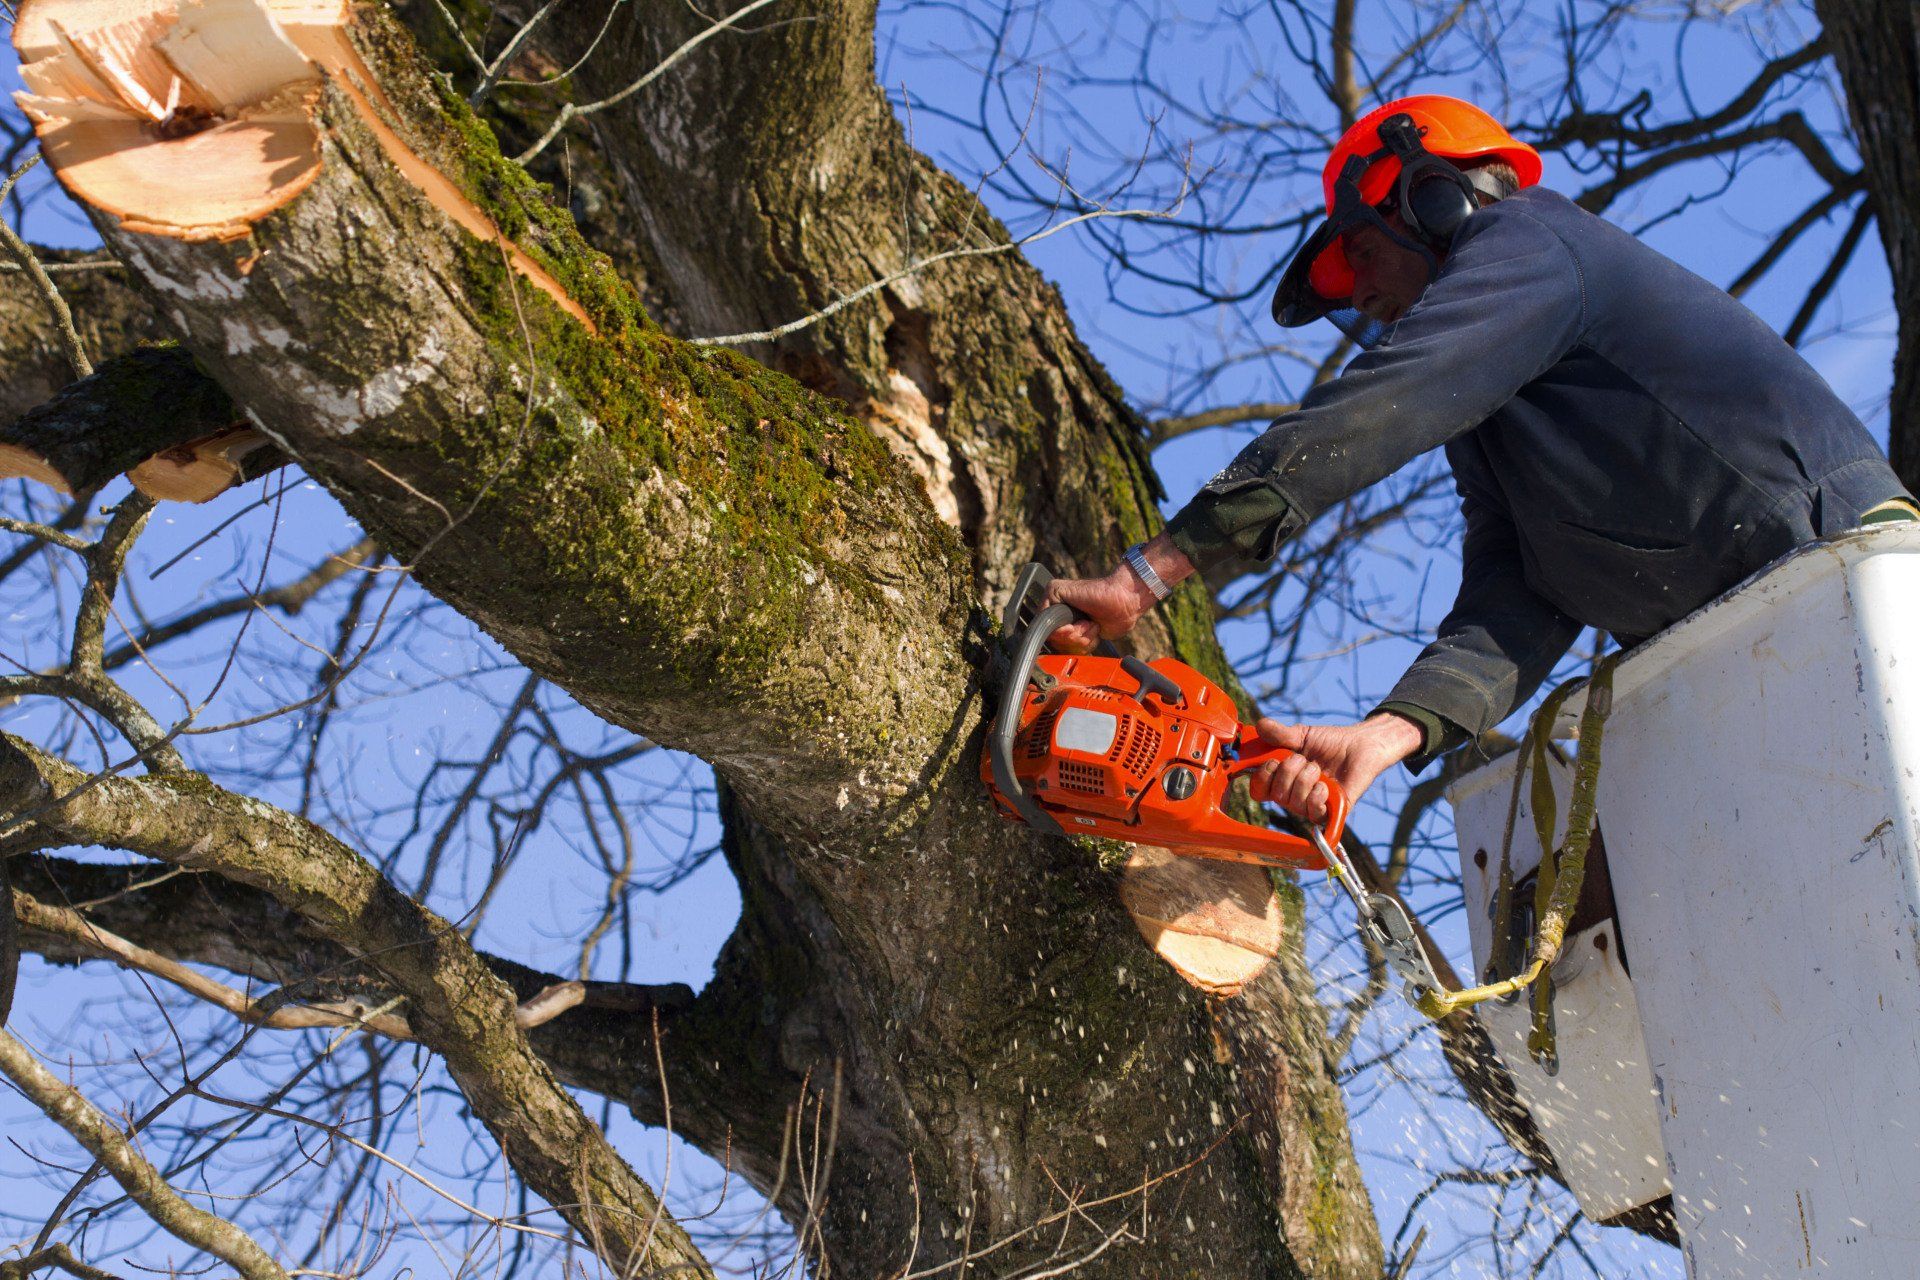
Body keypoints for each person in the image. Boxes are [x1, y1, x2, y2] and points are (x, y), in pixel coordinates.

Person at [1043, 94, 1915, 824]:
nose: (1370, 299)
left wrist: (1146, 576)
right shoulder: (1494, 411)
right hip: (1743, 652)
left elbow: (1386, 403)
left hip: (1840, 574)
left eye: (1365, 256)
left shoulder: (1534, 243)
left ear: (1433, 200)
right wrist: (1385, 736)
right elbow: (1522, 591)